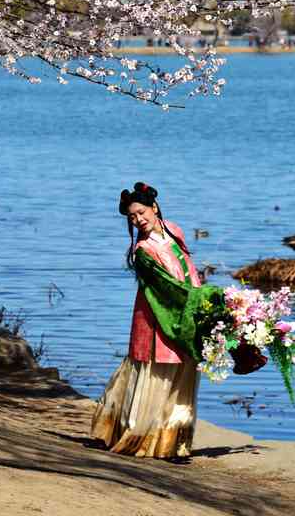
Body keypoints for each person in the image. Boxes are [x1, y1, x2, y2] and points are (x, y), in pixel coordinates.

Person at [91, 181, 202, 459]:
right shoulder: (142, 251)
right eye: (131, 217)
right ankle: (141, 437)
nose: (138, 220)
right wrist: (201, 301)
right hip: (156, 317)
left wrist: (203, 305)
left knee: (182, 375)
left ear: (154, 208)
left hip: (185, 312)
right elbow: (167, 287)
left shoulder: (174, 231)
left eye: (141, 212)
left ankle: (172, 442)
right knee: (155, 376)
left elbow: (188, 271)